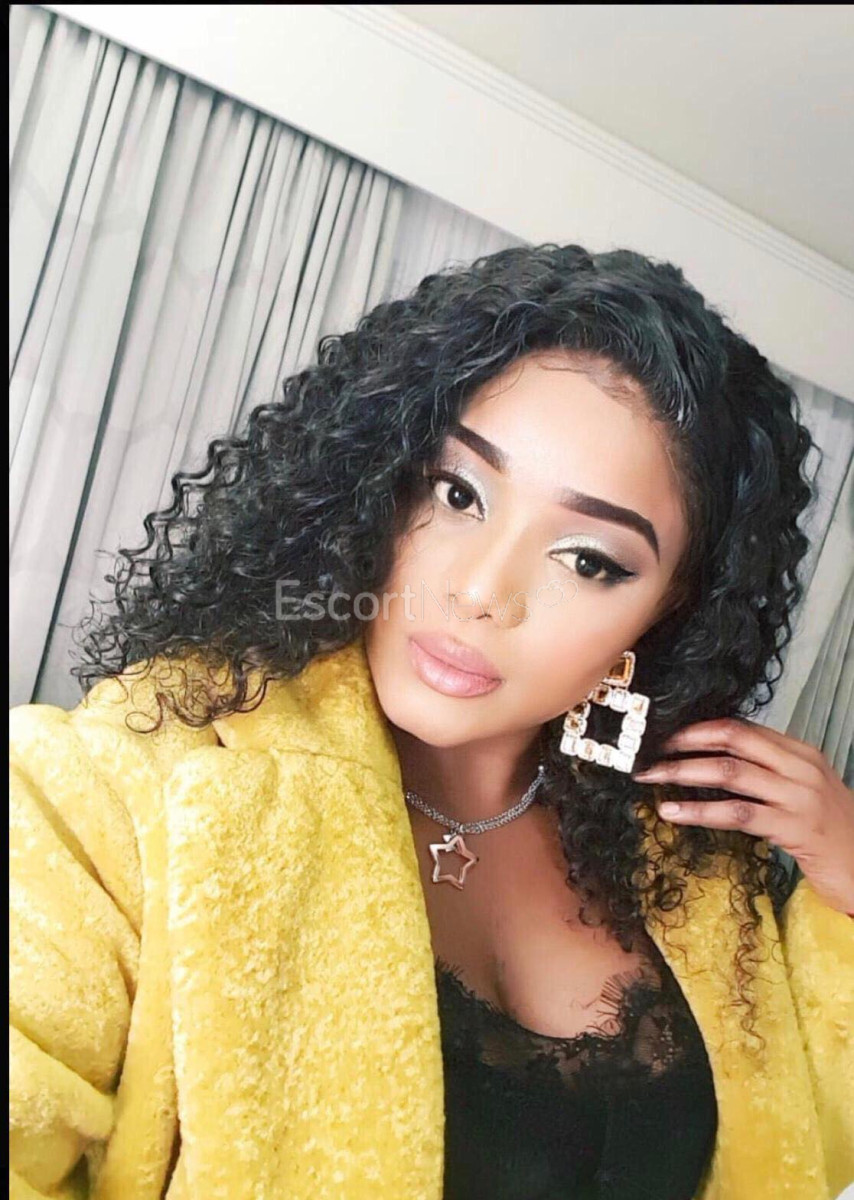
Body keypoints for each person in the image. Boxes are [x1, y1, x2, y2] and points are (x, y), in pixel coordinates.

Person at [9, 243, 854, 1200]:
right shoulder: (144, 778)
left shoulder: (697, 867)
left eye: (588, 560)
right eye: (459, 494)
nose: (482, 591)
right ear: (381, 480)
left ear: (663, 613)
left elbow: (808, 1152)